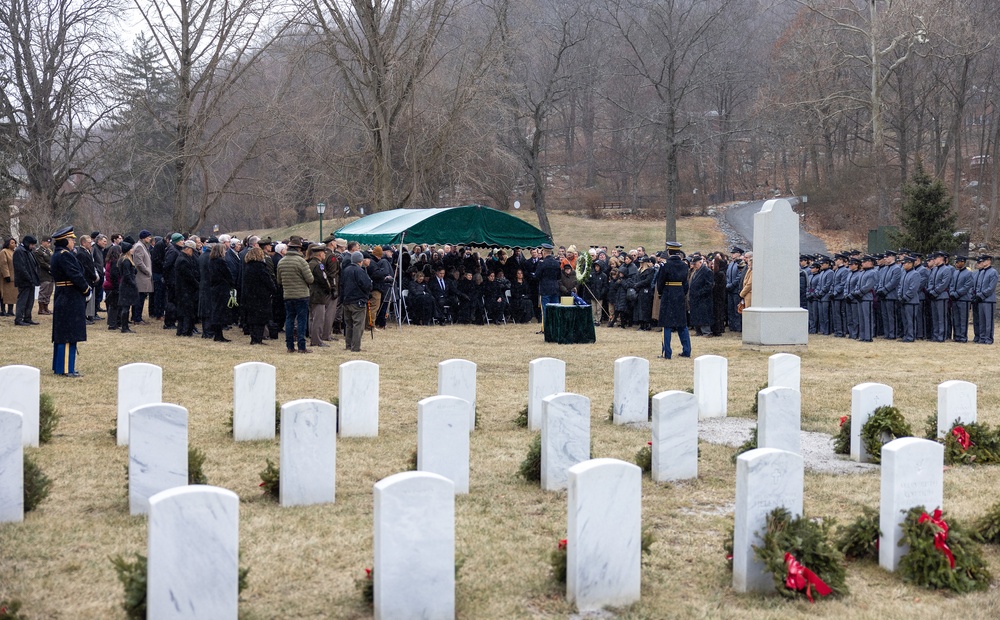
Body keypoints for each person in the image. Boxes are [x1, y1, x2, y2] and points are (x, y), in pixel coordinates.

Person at [49, 227, 91, 377]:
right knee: (68, 334)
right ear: (66, 241)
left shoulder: (59, 254)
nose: (74, 242)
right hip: (69, 296)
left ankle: (60, 366)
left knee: (63, 333)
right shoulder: (65, 255)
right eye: (72, 239)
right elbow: (75, 275)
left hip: (65, 295)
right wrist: (86, 289)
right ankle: (66, 368)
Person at [276, 236, 314, 353]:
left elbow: (279, 281)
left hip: (288, 295)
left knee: (289, 320)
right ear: (298, 249)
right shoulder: (301, 261)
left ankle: (290, 346)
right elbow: (310, 279)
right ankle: (302, 347)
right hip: (302, 295)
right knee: (302, 321)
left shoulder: (281, 262)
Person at [655, 242, 690, 359]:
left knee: (666, 324)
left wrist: (661, 293)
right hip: (679, 293)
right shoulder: (684, 265)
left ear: (669, 252)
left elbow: (660, 282)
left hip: (668, 293)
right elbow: (686, 283)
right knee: (682, 324)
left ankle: (667, 352)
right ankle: (687, 350)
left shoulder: (665, 265)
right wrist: (681, 293)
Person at [241, 246, 275, 344]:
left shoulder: (248, 266)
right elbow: (268, 281)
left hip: (250, 296)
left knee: (252, 319)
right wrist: (273, 289)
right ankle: (258, 339)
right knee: (260, 319)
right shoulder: (260, 267)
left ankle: (254, 338)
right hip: (261, 296)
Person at [341, 251, 372, 352]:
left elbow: (341, 285)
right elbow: (367, 285)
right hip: (358, 301)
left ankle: (348, 345)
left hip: (346, 301)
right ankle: (356, 347)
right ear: (360, 261)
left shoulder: (345, 270)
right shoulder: (359, 271)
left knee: (349, 324)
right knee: (358, 325)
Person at [208, 242, 236, 342]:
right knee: (220, 311)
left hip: (215, 288)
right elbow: (228, 274)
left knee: (216, 310)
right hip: (222, 288)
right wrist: (232, 283)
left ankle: (217, 334)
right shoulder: (221, 261)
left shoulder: (211, 261)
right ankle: (219, 335)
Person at [174, 240, 201, 337]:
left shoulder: (183, 258)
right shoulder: (183, 260)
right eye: (192, 250)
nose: (192, 253)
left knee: (184, 311)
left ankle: (182, 330)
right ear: (188, 249)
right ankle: (185, 331)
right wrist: (198, 285)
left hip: (184, 290)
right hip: (185, 290)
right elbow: (189, 277)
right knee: (187, 312)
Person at [13, 235, 41, 326]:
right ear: (27, 243)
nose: (33, 246)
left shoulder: (29, 252)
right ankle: (19, 319)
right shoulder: (19, 251)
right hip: (24, 281)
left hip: (31, 280)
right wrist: (29, 278)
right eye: (32, 244)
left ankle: (27, 318)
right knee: (23, 300)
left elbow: (34, 266)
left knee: (30, 301)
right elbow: (21, 268)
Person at [307, 244, 331, 347]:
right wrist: (329, 289)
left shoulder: (310, 263)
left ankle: (313, 337)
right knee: (318, 318)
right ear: (320, 254)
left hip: (310, 293)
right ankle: (317, 340)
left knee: (312, 318)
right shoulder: (318, 265)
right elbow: (323, 280)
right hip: (318, 294)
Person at [534, 243, 561, 331]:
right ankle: (556, 328)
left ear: (544, 252)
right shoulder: (556, 263)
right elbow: (559, 276)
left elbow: (537, 276)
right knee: (555, 308)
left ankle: (546, 329)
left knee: (545, 310)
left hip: (545, 289)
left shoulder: (542, 263)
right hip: (555, 288)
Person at [973, 254, 997, 345]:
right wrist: (977, 295)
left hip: (989, 300)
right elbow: (979, 286)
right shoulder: (982, 272)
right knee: (982, 320)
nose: (981, 263)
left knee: (988, 321)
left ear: (988, 261)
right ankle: (982, 337)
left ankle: (988, 338)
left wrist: (981, 295)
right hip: (981, 300)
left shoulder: (993, 272)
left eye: (983, 261)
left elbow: (991, 287)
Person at [117, 242, 140, 333]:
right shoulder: (126, 261)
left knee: (126, 307)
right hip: (127, 286)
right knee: (125, 307)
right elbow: (127, 275)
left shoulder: (124, 260)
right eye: (131, 249)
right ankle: (124, 327)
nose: (133, 250)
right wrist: (133, 284)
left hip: (126, 285)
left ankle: (125, 326)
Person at [688, 254, 714, 336]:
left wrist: (699, 292)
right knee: (696, 315)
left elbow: (709, 285)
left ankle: (706, 332)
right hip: (695, 298)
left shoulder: (707, 271)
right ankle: (698, 331)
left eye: (695, 264)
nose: (694, 266)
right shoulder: (695, 272)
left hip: (703, 298)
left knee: (704, 315)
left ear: (700, 262)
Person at [132, 230, 154, 324]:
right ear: (144, 238)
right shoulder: (139, 247)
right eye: (148, 237)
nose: (150, 239)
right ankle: (137, 318)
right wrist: (148, 271)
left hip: (144, 277)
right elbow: (139, 262)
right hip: (141, 277)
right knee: (139, 299)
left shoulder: (143, 246)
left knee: (141, 298)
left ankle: (137, 317)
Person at [950, 255, 973, 343]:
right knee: (955, 318)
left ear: (962, 262)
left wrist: (957, 294)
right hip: (955, 299)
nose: (956, 264)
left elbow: (967, 286)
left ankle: (963, 337)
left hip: (964, 299)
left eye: (957, 262)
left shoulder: (968, 273)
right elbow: (952, 284)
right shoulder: (955, 272)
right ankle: (957, 336)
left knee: (963, 319)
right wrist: (952, 293)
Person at [104, 245, 123, 330]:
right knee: (114, 305)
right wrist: (117, 287)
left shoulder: (109, 261)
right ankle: (113, 323)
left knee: (112, 305)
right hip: (113, 285)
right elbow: (114, 275)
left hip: (109, 284)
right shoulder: (115, 262)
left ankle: (113, 322)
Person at [725, 246, 744, 332]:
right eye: (732, 253)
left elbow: (739, 276)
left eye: (734, 253)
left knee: (737, 310)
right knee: (730, 309)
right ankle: (732, 326)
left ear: (739, 254)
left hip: (736, 290)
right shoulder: (731, 264)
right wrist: (728, 284)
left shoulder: (740, 263)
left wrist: (732, 285)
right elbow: (728, 275)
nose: (732, 255)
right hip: (730, 289)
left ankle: (738, 327)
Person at [34, 236, 53, 315]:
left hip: (50, 275)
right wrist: (50, 267)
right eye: (47, 242)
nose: (49, 244)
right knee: (43, 291)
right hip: (44, 274)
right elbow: (41, 263)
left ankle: (46, 307)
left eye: (49, 242)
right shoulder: (38, 251)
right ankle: (41, 309)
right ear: (42, 242)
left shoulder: (49, 251)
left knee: (49, 291)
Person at [0, 237, 17, 316]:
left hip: (14, 276)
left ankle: (10, 310)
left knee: (12, 294)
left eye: (14, 243)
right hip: (5, 277)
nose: (14, 244)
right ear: (8, 243)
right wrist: (6, 275)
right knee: (4, 293)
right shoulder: (4, 251)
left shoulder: (14, 252)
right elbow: (3, 264)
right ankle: (3, 310)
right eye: (12, 243)